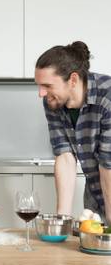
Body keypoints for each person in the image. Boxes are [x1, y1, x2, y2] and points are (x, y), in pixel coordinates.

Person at [34, 41, 111, 224]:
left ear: (73, 80)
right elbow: (65, 157)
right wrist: (62, 221)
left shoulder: (107, 96)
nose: (41, 93)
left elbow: (108, 166)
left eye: (47, 85)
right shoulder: (53, 102)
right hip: (94, 195)